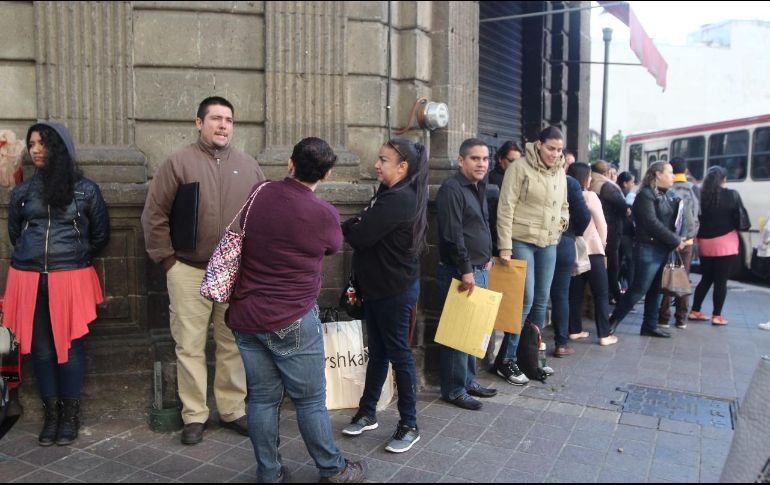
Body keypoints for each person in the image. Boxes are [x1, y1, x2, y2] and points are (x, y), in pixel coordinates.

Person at [226, 138, 366, 483]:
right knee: (310, 400)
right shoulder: (323, 213)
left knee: (260, 399)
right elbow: (334, 246)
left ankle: (270, 473)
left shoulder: (259, 193)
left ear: (290, 164)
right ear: (328, 173)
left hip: (246, 315)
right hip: (291, 318)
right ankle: (333, 469)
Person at [141, 96, 265, 445]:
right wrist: (167, 260)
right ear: (199, 123)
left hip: (235, 272)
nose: (223, 125)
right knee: (189, 345)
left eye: (228, 119)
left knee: (232, 344)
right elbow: (154, 215)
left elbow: (260, 216)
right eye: (215, 119)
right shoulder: (178, 163)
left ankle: (232, 409)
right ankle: (194, 415)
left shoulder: (249, 166)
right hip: (188, 269)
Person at [4, 122, 109, 446]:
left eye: (43, 143)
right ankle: (51, 415)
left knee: (72, 348)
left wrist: (74, 259)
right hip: (27, 278)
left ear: (60, 148)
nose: (35, 149)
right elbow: (15, 233)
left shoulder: (86, 190)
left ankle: (70, 416)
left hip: (70, 278)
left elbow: (99, 235)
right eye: (32, 143)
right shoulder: (22, 192)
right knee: (42, 351)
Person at [340, 138, 428, 454]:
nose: (376, 164)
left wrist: (354, 227)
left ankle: (409, 425)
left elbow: (361, 236)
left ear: (403, 167)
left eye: (383, 159)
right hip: (379, 288)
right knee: (377, 352)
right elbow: (360, 226)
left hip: (394, 290)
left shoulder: (400, 199)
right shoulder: (390, 193)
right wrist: (357, 224)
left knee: (399, 356)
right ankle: (367, 412)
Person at [493, 126, 569, 384]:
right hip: (521, 239)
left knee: (541, 301)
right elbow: (506, 207)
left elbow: (564, 205)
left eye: (559, 150)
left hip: (549, 242)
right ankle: (507, 360)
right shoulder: (519, 168)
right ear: (539, 144)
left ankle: (531, 359)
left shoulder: (560, 170)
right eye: (551, 148)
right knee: (523, 301)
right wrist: (505, 244)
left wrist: (561, 223)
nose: (554, 154)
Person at [436, 138, 497, 410]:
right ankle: (453, 390)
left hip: (479, 268)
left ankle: (468, 381)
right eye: (475, 158)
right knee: (457, 334)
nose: (481, 163)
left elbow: (480, 226)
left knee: (472, 332)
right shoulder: (452, 189)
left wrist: (488, 256)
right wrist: (466, 270)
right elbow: (453, 234)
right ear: (461, 161)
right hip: (462, 272)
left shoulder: (478, 186)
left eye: (484, 159)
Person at [608, 162, 687, 339]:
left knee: (656, 290)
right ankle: (612, 322)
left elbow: (675, 220)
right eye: (670, 172)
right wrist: (674, 240)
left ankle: (649, 325)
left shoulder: (669, 195)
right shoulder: (645, 195)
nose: (673, 176)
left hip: (662, 247)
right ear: (658, 174)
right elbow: (651, 223)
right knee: (639, 288)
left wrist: (679, 236)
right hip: (648, 248)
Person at [688, 166, 745, 326]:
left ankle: (695, 310)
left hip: (705, 243)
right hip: (726, 243)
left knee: (706, 278)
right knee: (721, 281)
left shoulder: (701, 196)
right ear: (724, 179)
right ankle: (717, 315)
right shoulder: (731, 195)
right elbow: (739, 218)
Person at [566, 163, 616, 346]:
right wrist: (602, 243)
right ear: (585, 178)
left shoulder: (565, 194)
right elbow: (601, 223)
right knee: (601, 293)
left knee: (575, 293)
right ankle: (604, 335)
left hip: (573, 250)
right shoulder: (589, 195)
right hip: (593, 250)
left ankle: (574, 330)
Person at [484, 140, 522, 368]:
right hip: (496, 249)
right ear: (500, 160)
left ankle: (501, 355)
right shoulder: (495, 181)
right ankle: (495, 356)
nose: (515, 166)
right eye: (511, 161)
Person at [550, 166, 591, 358]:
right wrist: (573, 232)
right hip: (564, 239)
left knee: (536, 295)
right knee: (560, 294)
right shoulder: (570, 182)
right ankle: (561, 343)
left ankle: (535, 343)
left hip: (538, 240)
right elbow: (584, 215)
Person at [658, 157, 700, 330]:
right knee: (684, 277)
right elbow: (697, 214)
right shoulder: (693, 189)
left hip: (668, 241)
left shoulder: (665, 189)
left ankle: (663, 317)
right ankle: (681, 318)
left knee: (668, 276)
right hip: (687, 242)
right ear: (686, 171)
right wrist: (689, 236)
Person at [590, 160, 628, 305]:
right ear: (606, 172)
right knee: (612, 265)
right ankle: (613, 295)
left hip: (593, 231)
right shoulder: (607, 186)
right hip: (610, 231)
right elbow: (622, 206)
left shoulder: (590, 182)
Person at [617, 171, 637, 291]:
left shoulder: (616, 192)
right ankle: (629, 288)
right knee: (630, 261)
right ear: (625, 183)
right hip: (626, 233)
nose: (633, 184)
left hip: (618, 232)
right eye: (632, 182)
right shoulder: (629, 196)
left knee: (618, 261)